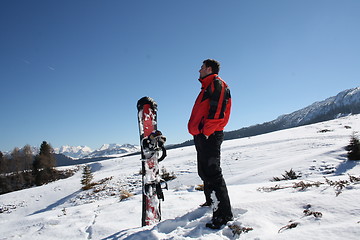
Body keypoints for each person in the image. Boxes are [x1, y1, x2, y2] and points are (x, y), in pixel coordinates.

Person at [188, 59, 233, 229]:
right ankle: (211, 202)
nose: (198, 70)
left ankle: (223, 215)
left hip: (210, 135)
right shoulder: (207, 86)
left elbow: (217, 110)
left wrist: (207, 131)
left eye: (201, 67)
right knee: (204, 171)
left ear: (208, 68)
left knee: (213, 174)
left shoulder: (217, 84)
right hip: (202, 135)